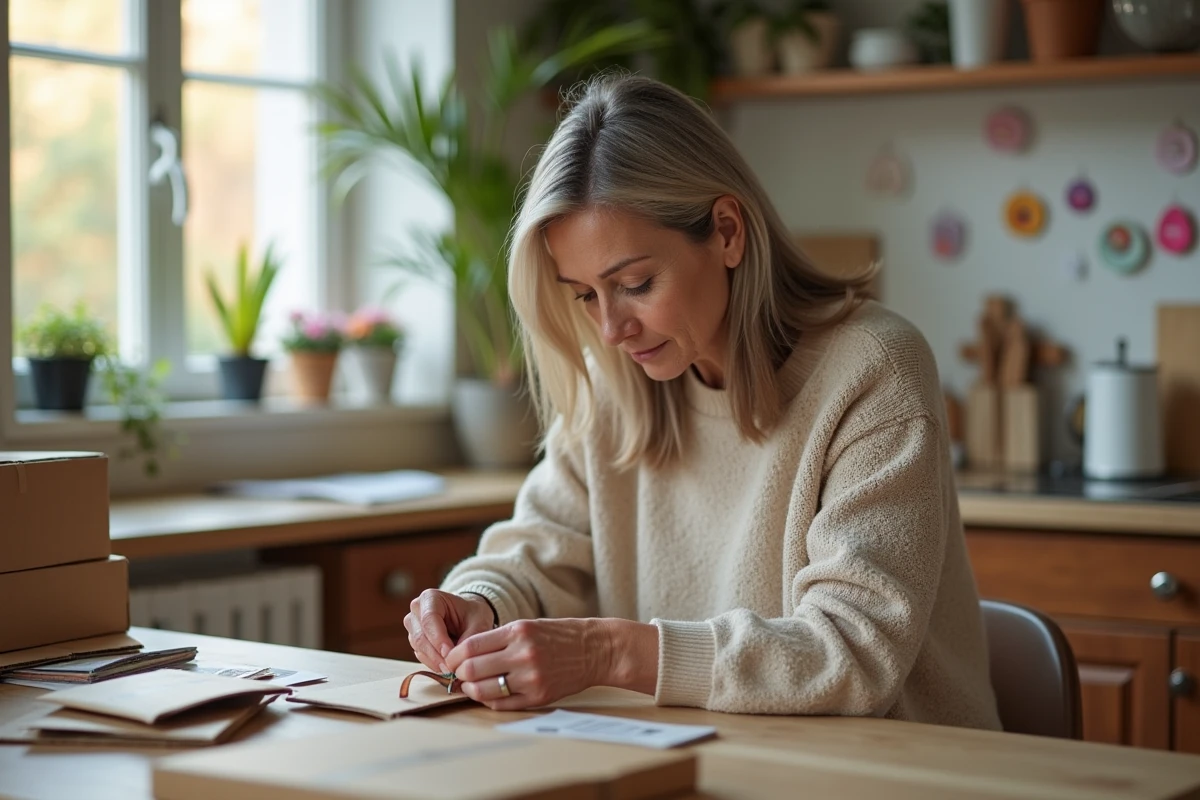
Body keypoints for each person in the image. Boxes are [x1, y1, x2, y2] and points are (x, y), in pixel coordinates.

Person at [403, 73, 1002, 730]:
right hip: (707, 758)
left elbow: (853, 654)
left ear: (725, 232)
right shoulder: (619, 384)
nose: (610, 329)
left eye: (634, 283)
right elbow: (541, 551)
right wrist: (479, 603)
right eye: (584, 294)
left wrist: (607, 651)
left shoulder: (874, 369)